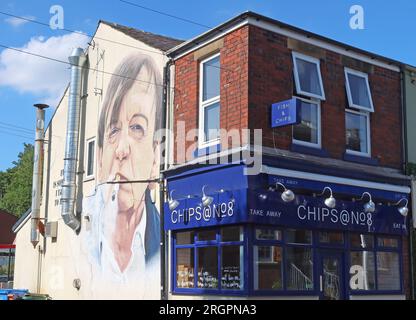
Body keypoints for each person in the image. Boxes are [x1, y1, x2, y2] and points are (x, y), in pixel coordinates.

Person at [80, 53, 162, 299]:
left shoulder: (166, 238)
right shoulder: (79, 235)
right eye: (114, 130)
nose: (122, 150)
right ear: (100, 155)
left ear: (156, 159)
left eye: (137, 128)